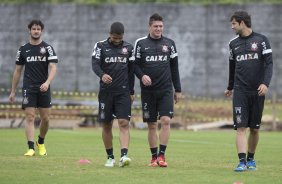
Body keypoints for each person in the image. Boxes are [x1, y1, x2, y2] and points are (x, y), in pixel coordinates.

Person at [224, 10, 273, 172]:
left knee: (255, 128)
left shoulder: (262, 41)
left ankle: (251, 159)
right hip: (240, 91)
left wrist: (265, 83)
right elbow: (232, 68)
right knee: (241, 127)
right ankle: (242, 162)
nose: (232, 27)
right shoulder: (233, 44)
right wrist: (230, 87)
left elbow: (269, 64)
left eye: (233, 24)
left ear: (242, 23)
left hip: (257, 91)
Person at [134, 13, 182, 167]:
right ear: (149, 26)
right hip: (148, 91)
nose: (158, 29)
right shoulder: (140, 44)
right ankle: (153, 157)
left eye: (161, 26)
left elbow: (175, 68)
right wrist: (141, 76)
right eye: (155, 26)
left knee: (166, 120)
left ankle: (162, 156)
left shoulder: (170, 43)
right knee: (152, 124)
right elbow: (134, 65)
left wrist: (178, 89)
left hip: (166, 89)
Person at [9, 20, 58, 156]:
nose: (36, 31)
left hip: (44, 87)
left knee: (46, 119)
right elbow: (18, 71)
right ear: (29, 30)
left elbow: (53, 68)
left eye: (38, 29)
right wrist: (13, 91)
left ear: (41, 31)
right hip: (28, 87)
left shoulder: (48, 48)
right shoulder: (23, 49)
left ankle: (40, 142)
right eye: (34, 29)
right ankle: (30, 148)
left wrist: (47, 83)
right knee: (30, 117)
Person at [91, 22, 135, 167]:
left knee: (123, 123)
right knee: (107, 125)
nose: (117, 40)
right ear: (110, 34)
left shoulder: (128, 48)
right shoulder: (100, 46)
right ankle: (110, 157)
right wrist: (102, 75)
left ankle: (124, 156)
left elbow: (131, 71)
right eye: (115, 38)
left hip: (123, 92)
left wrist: (132, 91)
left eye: (120, 38)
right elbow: (95, 64)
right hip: (106, 93)